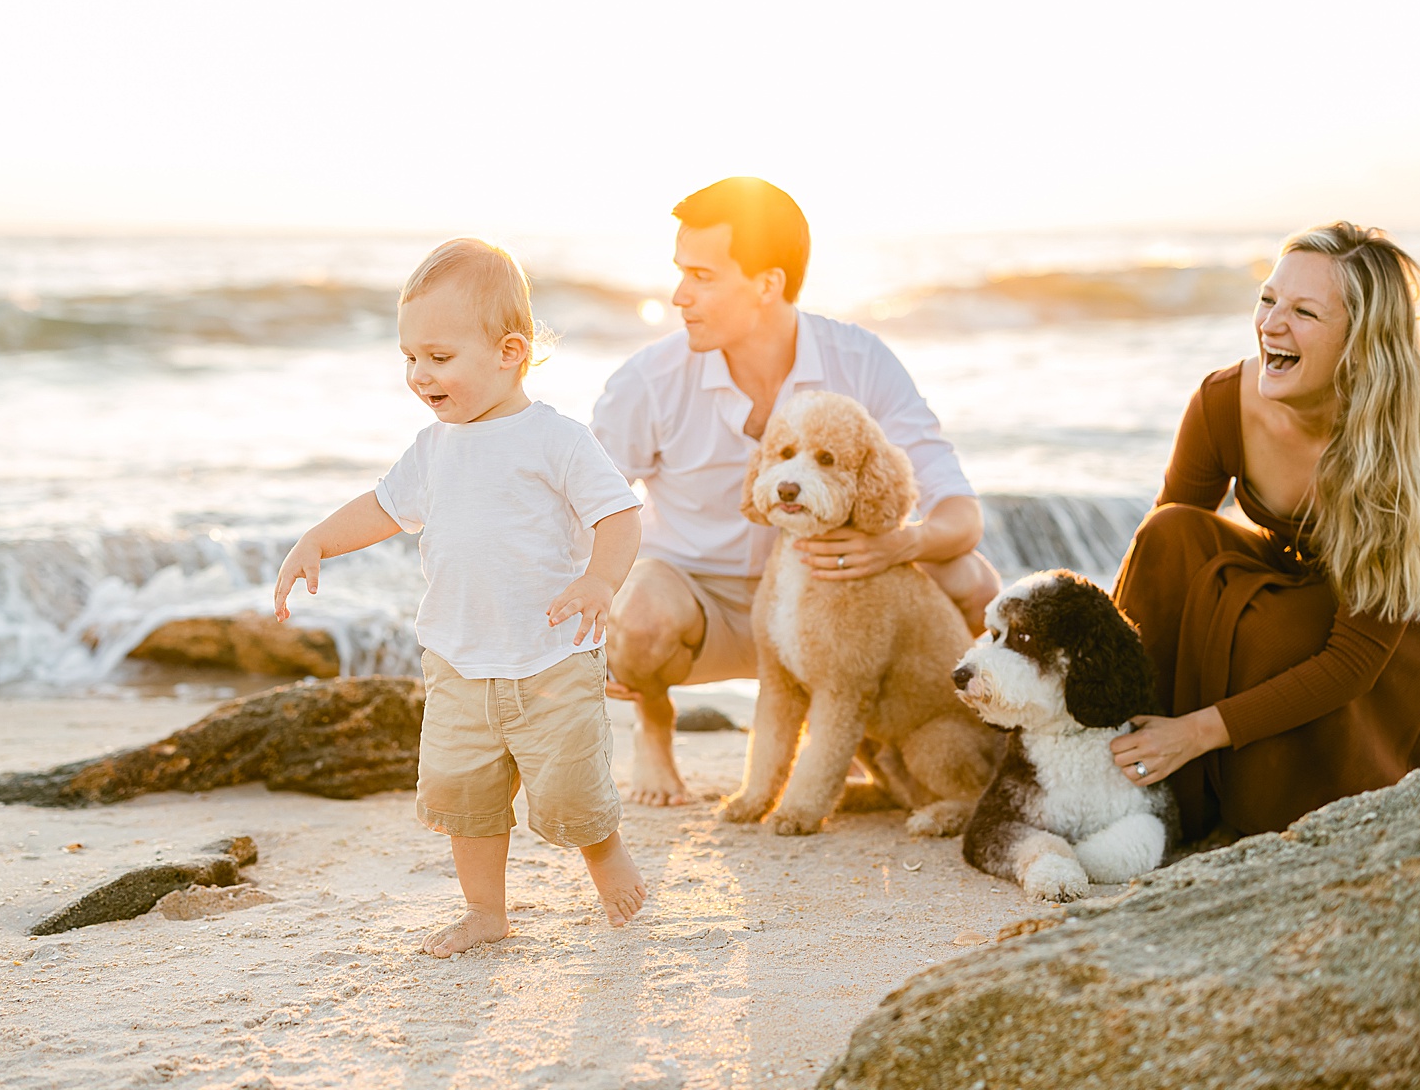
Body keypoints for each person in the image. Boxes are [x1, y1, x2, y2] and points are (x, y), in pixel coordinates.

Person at [273, 237, 648, 957]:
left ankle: (606, 860)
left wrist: (600, 580)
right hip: (456, 662)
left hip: (550, 658)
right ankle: (486, 911)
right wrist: (317, 539)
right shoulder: (432, 447)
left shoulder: (556, 440)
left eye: (439, 359)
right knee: (466, 798)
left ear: (510, 351)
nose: (419, 375)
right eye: (409, 358)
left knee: (570, 788)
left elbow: (619, 514)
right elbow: (383, 507)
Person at [592, 177, 1000, 806]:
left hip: (839, 593)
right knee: (640, 616)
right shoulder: (648, 380)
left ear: (767, 284)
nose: (679, 295)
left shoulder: (859, 358)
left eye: (702, 276)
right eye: (681, 273)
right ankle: (655, 727)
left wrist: (897, 546)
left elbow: (958, 511)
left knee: (971, 580)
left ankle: (962, 753)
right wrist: (598, 625)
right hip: (705, 606)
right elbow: (585, 513)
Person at [1108, 222, 1420, 839]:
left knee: (1270, 632)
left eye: (1304, 312)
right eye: (1268, 299)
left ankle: (1207, 784)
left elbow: (1353, 661)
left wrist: (1196, 731)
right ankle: (1103, 758)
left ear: (1361, 342)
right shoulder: (1221, 402)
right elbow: (1162, 570)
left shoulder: (1405, 450)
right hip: (1305, 573)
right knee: (1169, 534)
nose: (1271, 324)